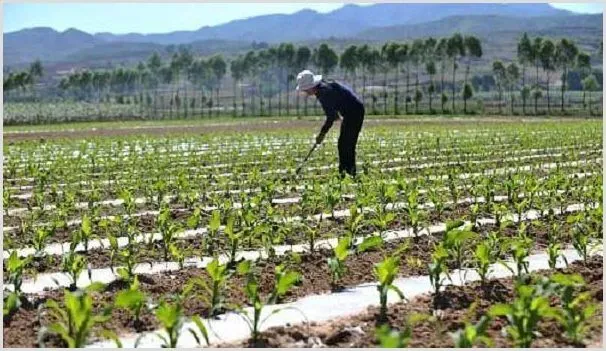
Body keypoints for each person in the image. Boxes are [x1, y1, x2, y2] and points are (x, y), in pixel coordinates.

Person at [296, 69, 365, 177]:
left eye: (305, 89)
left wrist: (322, 134)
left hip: (354, 112)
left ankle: (349, 172)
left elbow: (331, 117)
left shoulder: (324, 93)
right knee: (344, 143)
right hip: (350, 112)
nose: (305, 92)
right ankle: (345, 172)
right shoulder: (322, 88)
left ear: (311, 87)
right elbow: (334, 113)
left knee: (347, 144)